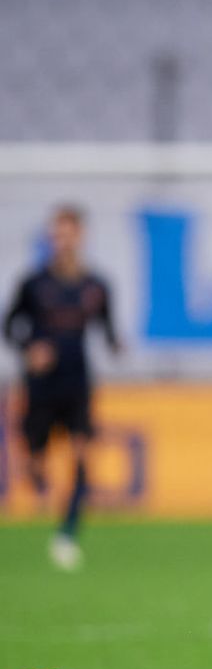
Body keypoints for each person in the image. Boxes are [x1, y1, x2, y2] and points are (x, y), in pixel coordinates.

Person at [3, 206, 121, 569]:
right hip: (39, 388)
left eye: (68, 233)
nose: (62, 240)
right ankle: (43, 486)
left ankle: (67, 534)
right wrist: (29, 351)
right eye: (56, 234)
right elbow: (9, 326)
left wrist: (117, 344)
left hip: (77, 384)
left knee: (83, 456)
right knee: (34, 466)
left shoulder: (96, 286)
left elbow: (106, 327)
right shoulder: (33, 284)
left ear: (80, 236)